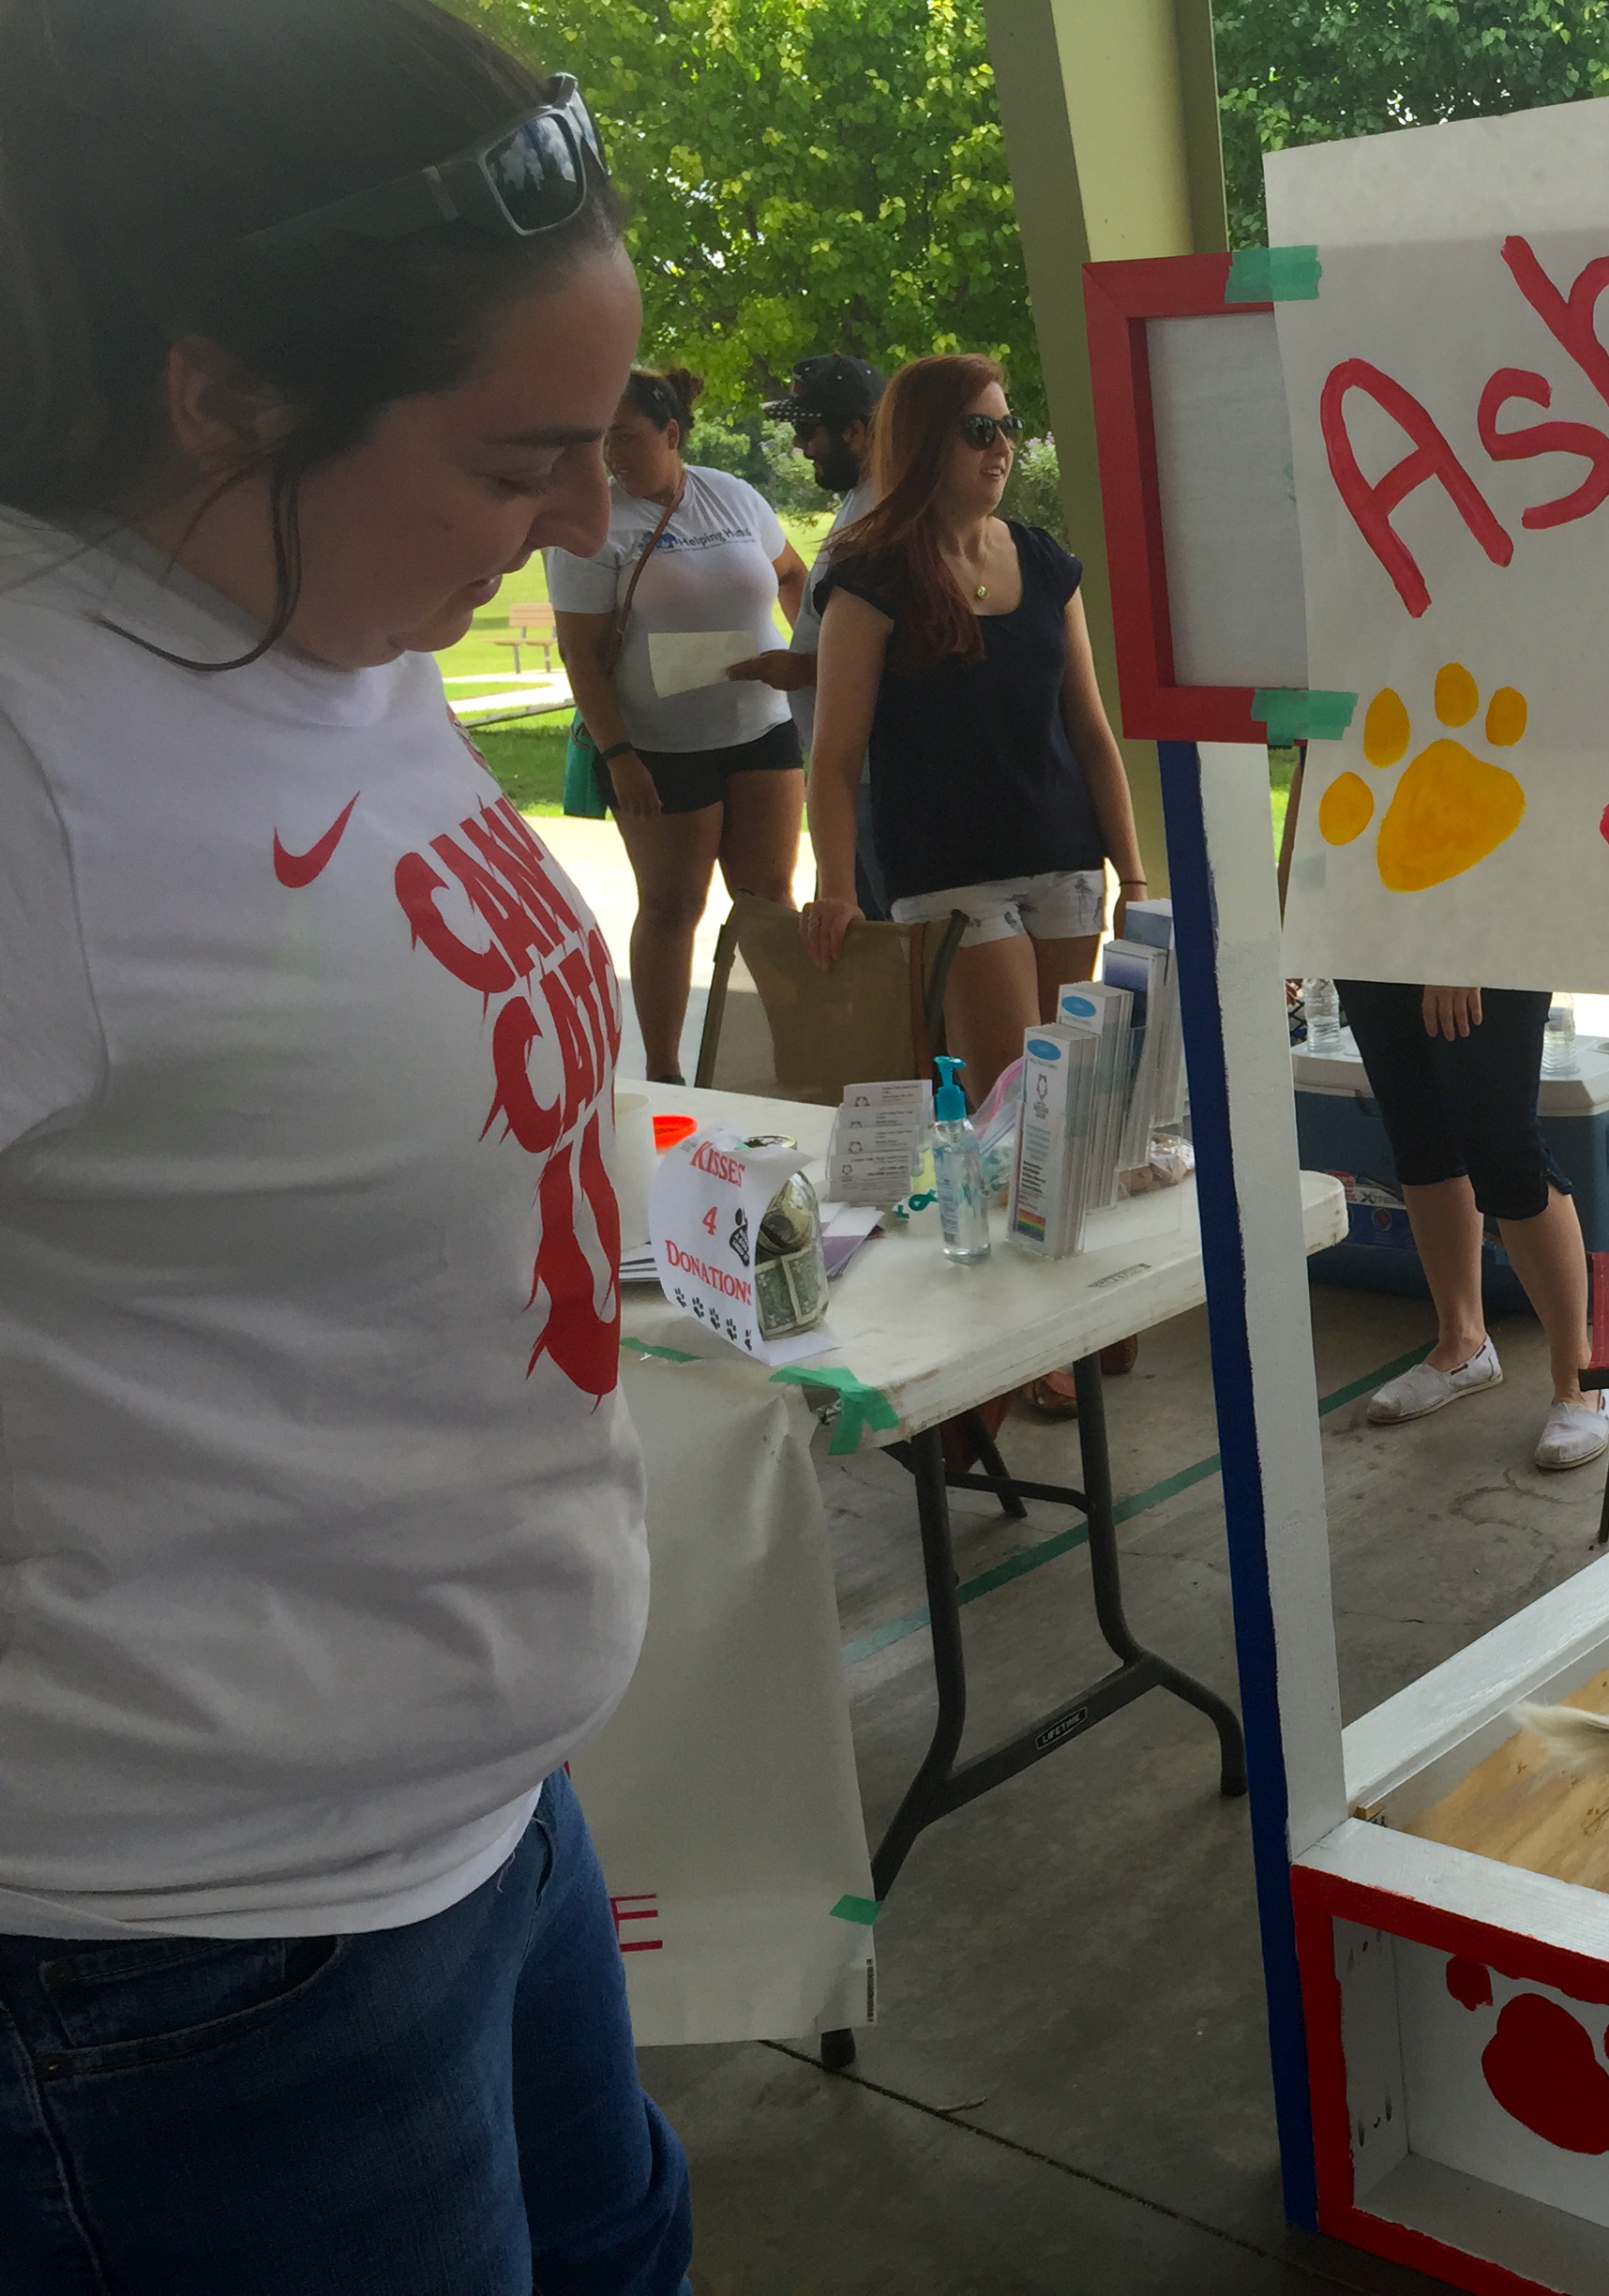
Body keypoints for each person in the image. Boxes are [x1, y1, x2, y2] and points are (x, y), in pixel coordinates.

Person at [0, 5, 690, 2288]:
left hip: (477, 1824)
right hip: (179, 1961)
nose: (585, 518)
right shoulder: (35, 761)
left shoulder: (322, 614)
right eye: (520, 461)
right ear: (222, 397)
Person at [798, 354, 1149, 1112]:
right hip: (949, 871)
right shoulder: (870, 577)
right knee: (1012, 1108)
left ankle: (1068, 1235)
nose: (1002, 447)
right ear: (924, 442)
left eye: (1008, 426)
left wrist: (1135, 874)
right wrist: (834, 885)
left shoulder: (1045, 561)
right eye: (978, 430)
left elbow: (1089, 730)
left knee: (1071, 1105)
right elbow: (832, 760)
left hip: (1065, 860)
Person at [547, 364, 808, 1080]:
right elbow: (581, 653)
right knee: (671, 907)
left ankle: (795, 1053)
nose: (612, 456)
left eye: (627, 438)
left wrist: (810, 659)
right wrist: (620, 755)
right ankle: (665, 1074)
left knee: (770, 902)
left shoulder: (732, 495)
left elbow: (792, 575)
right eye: (603, 441)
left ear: (671, 433)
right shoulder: (593, 523)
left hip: (764, 726)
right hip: (660, 746)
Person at [1341, 980, 1609, 1473]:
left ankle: (1580, 1379)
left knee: (1503, 1146)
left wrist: (1461, 952)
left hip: (1471, 927)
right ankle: (1463, 1343)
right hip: (1374, 930)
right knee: (1418, 1134)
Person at [731, 352, 888, 917]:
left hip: (883, 778)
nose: (800, 446)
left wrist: (800, 669)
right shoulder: (863, 501)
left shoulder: (892, 516)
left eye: (807, 430)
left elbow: (911, 651)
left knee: (890, 957)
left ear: (854, 431)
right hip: (858, 777)